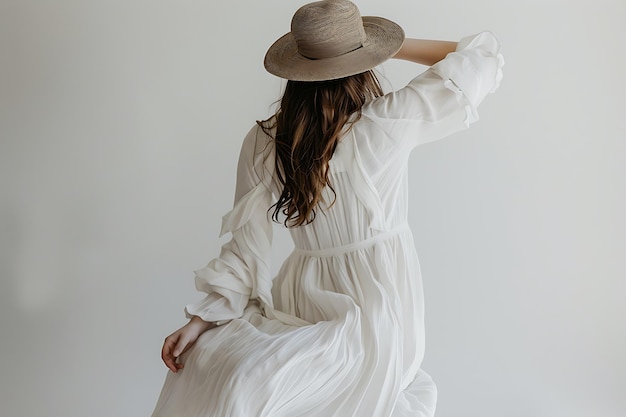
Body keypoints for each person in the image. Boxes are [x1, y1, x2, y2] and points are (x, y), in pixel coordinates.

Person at [151, 1, 504, 416]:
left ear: (297, 69)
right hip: (351, 301)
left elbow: (242, 251)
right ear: (364, 63)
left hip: (344, 305)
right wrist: (388, 45)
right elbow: (483, 58)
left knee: (246, 382)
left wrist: (200, 321)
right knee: (249, 378)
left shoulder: (283, 137)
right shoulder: (379, 123)